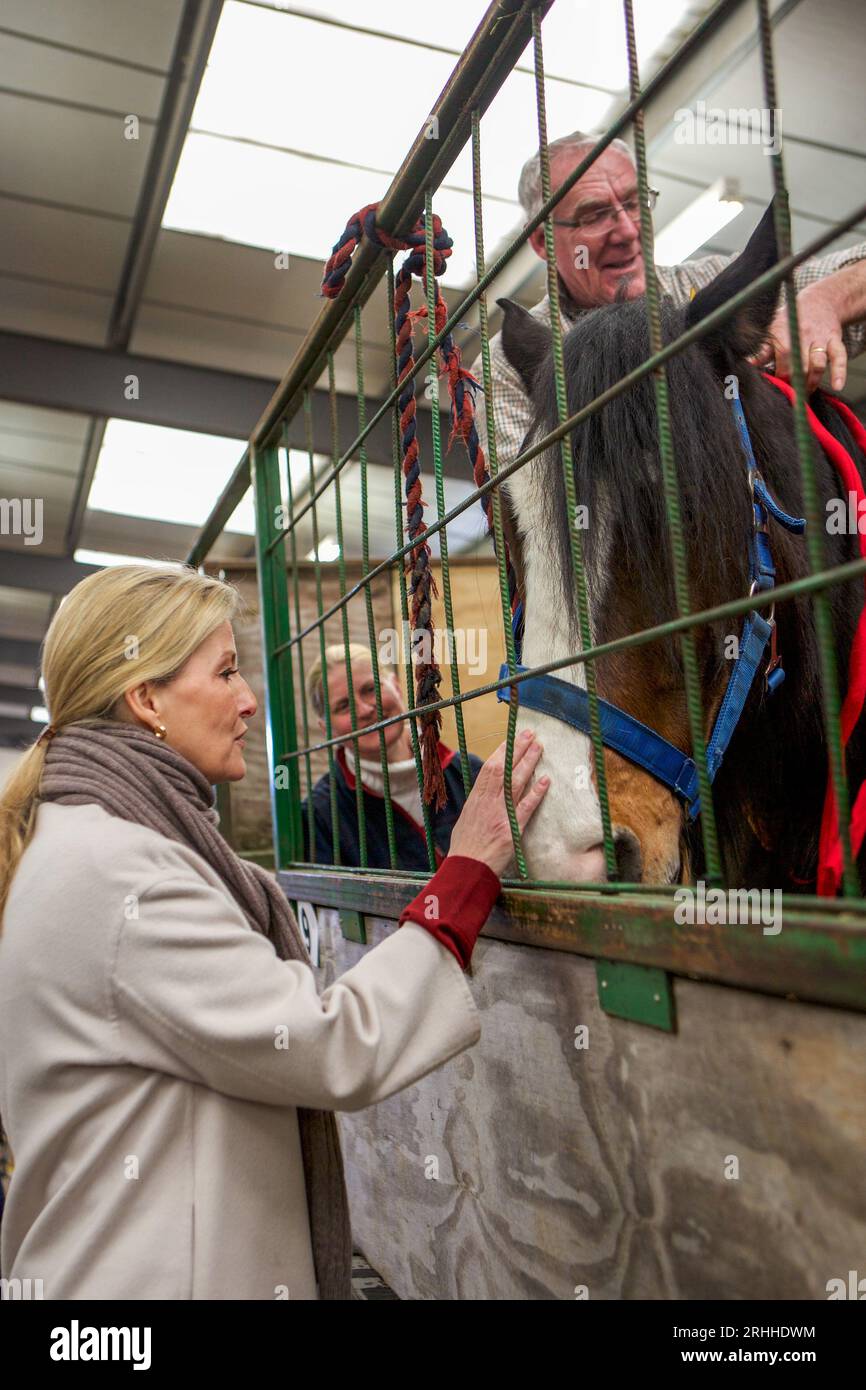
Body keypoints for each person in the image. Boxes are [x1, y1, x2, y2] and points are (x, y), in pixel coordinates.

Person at [0, 564, 548, 1300]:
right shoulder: (122, 873)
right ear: (146, 698)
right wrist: (468, 873)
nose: (250, 701)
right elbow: (328, 1044)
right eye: (226, 673)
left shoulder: (87, 840)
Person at [474, 131, 866, 468]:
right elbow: (533, 516)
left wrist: (826, 300)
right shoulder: (504, 366)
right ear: (543, 241)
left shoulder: (710, 281)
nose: (627, 231)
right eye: (594, 216)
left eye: (633, 202)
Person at [301, 643, 483, 869]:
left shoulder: (470, 773)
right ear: (326, 729)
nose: (366, 710)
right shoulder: (320, 816)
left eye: (370, 689)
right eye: (344, 706)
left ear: (397, 687)